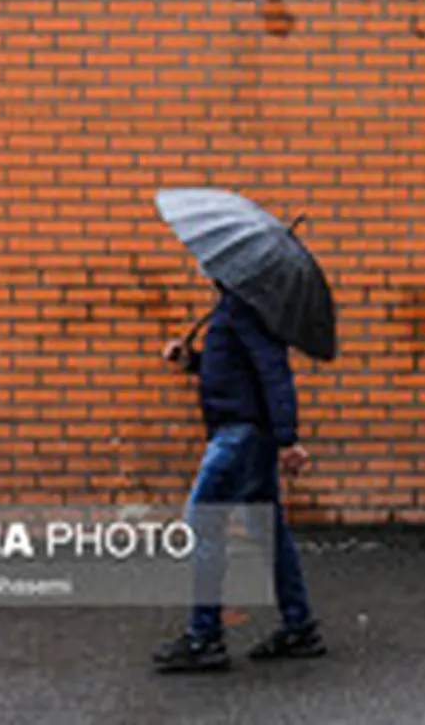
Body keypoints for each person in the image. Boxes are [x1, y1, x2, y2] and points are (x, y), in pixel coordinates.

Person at [152, 280, 326, 673]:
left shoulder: (245, 308)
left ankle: (205, 637)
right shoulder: (234, 305)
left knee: (203, 520)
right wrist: (192, 360)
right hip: (245, 432)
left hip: (241, 435)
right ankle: (299, 626)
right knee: (269, 531)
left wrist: (288, 439)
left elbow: (273, 372)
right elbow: (233, 371)